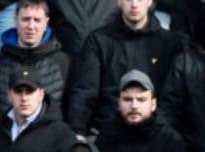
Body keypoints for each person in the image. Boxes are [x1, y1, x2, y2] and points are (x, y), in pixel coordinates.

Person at [64, 0, 184, 136]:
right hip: (107, 134)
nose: (134, 4)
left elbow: (172, 99)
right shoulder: (99, 41)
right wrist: (77, 133)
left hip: (155, 135)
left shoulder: (170, 43)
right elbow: (84, 92)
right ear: (119, 2)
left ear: (150, 1)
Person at [0, 0, 70, 136]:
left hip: (50, 146)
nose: (31, 26)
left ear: (46, 23)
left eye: (37, 20)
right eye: (25, 19)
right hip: (6, 146)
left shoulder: (63, 62)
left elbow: (73, 109)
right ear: (15, 21)